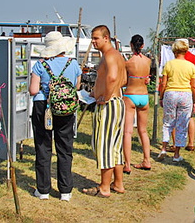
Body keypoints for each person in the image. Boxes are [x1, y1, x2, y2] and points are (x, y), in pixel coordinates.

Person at [29, 31, 82, 201]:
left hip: (43, 106)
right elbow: (77, 86)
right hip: (66, 107)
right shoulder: (73, 64)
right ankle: (65, 191)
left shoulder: (40, 65)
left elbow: (33, 90)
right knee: (65, 148)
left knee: (43, 147)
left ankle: (43, 190)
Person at [82, 25, 127, 198]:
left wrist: (105, 96)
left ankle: (104, 187)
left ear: (106, 38)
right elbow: (123, 79)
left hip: (109, 105)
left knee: (105, 146)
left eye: (96, 38)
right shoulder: (115, 55)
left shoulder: (109, 55)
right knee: (115, 145)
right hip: (115, 102)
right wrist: (96, 92)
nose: (93, 41)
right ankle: (118, 183)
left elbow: (114, 77)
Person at [158, 39, 195, 162]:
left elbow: (163, 83)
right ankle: (176, 154)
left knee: (168, 122)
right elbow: (194, 86)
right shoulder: (191, 66)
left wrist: (161, 96)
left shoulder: (169, 64)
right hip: (185, 94)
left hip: (170, 93)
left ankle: (164, 148)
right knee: (182, 124)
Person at [122, 34, 152, 174]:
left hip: (131, 95)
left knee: (128, 131)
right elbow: (147, 78)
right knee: (143, 131)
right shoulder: (148, 61)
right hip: (144, 96)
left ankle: (127, 164)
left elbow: (123, 81)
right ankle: (147, 160)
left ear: (131, 45)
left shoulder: (127, 63)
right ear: (143, 45)